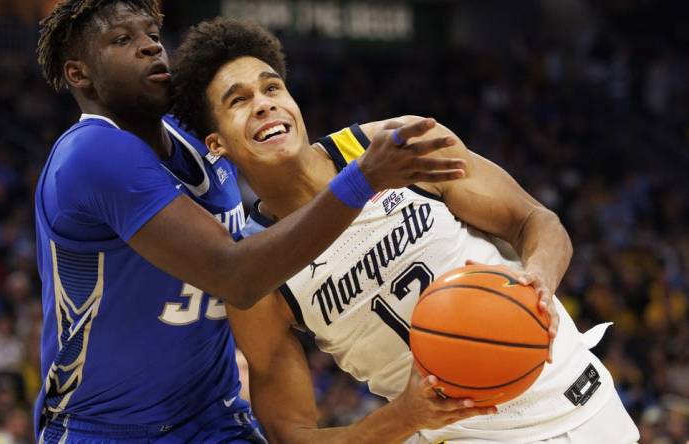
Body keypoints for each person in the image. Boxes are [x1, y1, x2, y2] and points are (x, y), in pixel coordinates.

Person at [171, 18, 641, 443]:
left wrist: (539, 273)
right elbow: (292, 435)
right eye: (239, 100)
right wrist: (405, 416)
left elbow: (536, 220)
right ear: (216, 143)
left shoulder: (396, 145)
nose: (264, 105)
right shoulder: (255, 271)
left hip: (582, 398)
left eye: (272, 88)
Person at [32, 1, 464, 442]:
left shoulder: (201, 136)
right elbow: (234, 275)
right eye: (123, 40)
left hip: (213, 418)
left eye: (152, 36)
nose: (149, 48)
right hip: (106, 429)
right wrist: (363, 177)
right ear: (78, 74)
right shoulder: (91, 154)